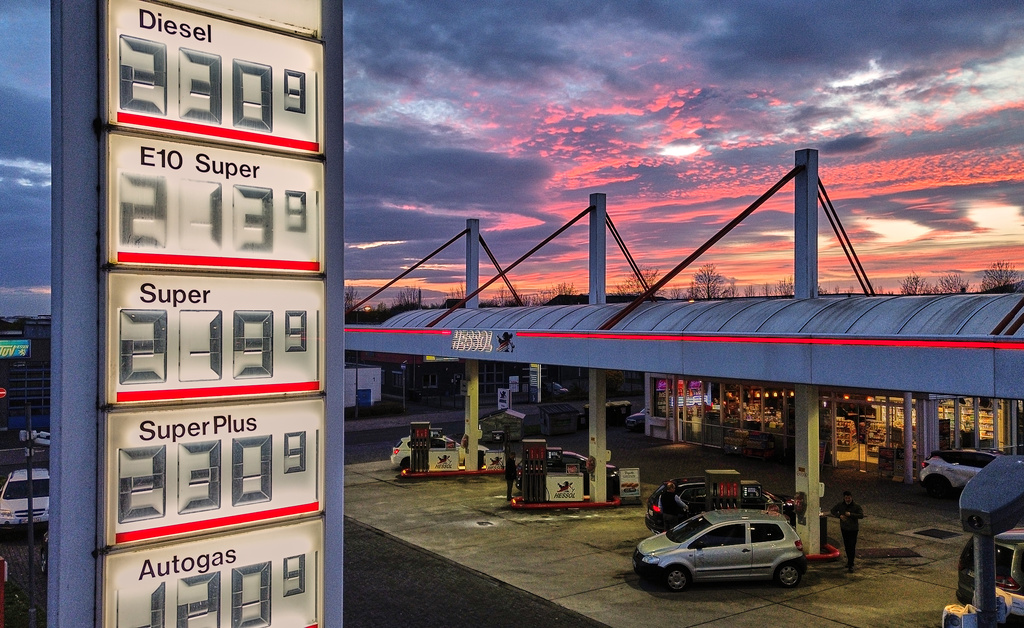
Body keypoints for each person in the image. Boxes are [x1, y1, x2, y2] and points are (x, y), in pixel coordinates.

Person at [830, 490, 865, 572]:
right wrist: (839, 516)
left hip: (853, 529)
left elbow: (861, 515)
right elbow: (832, 510)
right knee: (847, 545)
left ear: (851, 497)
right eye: (846, 498)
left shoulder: (856, 506)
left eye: (849, 498)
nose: (847, 499)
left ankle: (851, 563)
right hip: (844, 528)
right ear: (844, 498)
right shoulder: (840, 505)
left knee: (852, 546)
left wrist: (851, 514)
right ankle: (849, 561)